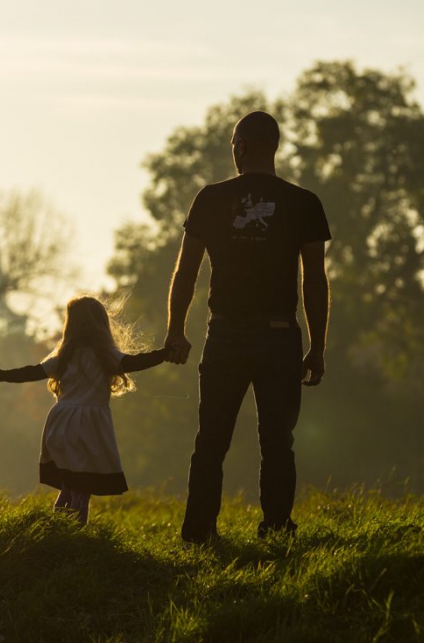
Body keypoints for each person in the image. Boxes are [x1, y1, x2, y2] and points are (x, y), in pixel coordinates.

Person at [165, 111, 331, 543]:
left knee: (211, 441)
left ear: (238, 147)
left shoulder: (211, 197)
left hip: (225, 335)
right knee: (278, 441)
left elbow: (186, 272)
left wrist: (175, 330)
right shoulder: (304, 203)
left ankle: (198, 533)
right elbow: (314, 280)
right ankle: (276, 528)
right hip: (280, 337)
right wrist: (317, 347)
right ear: (275, 148)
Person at [0, 295, 168, 524]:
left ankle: (58, 530)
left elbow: (30, 372)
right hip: (89, 426)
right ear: (102, 324)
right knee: (82, 488)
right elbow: (135, 363)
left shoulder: (63, 357)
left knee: (69, 483)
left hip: (60, 423)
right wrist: (165, 354)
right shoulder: (106, 356)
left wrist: (0, 375)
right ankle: (76, 534)